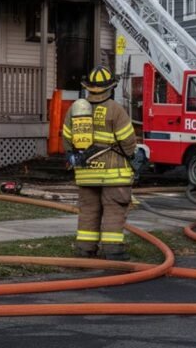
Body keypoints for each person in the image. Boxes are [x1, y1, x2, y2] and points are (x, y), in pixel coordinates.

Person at [62, 64, 137, 261]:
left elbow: (67, 138)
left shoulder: (75, 109)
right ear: (110, 87)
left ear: (88, 87)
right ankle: (113, 251)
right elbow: (128, 141)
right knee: (113, 210)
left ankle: (85, 249)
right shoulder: (115, 109)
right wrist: (130, 157)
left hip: (86, 172)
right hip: (114, 173)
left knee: (88, 211)